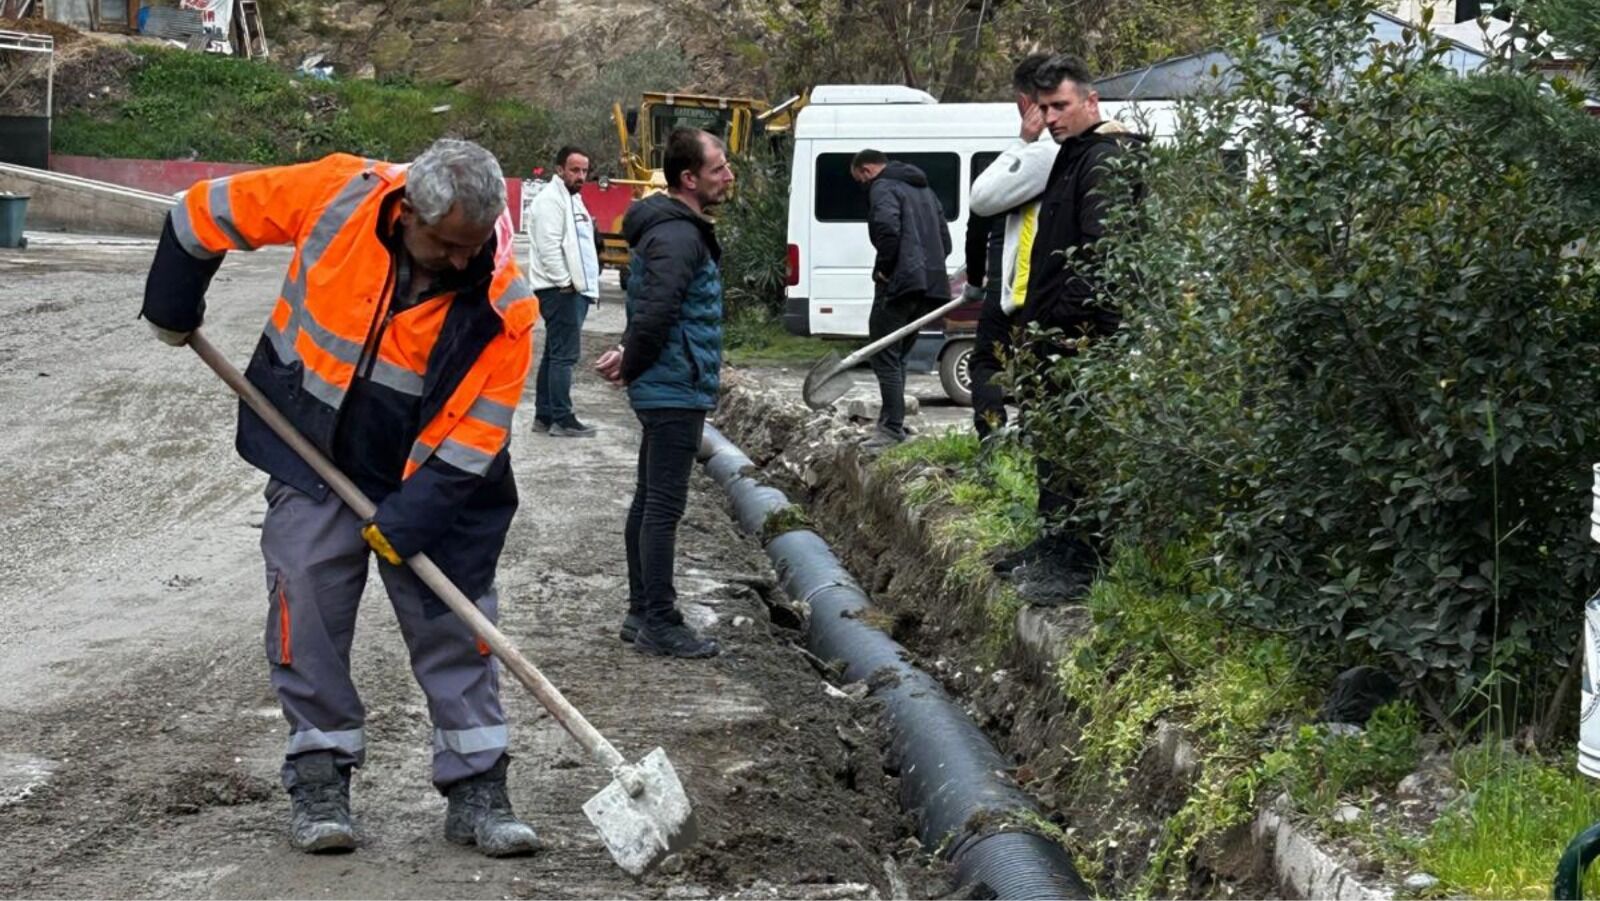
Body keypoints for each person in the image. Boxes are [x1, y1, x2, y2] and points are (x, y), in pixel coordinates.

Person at [140, 139, 542, 857]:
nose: (460, 260)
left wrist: (410, 519)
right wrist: (172, 298)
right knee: (306, 598)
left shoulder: (502, 303)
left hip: (434, 481)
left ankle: (478, 784)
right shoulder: (337, 194)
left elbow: (476, 440)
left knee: (454, 619)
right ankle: (320, 772)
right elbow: (203, 211)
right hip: (313, 448)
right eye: (447, 243)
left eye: (472, 245)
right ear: (406, 213)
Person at [1005, 54, 1148, 605]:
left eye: (1061, 105)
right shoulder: (1073, 155)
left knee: (1080, 450)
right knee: (1055, 446)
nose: (1052, 117)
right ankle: (1055, 543)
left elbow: (1103, 256)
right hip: (1055, 334)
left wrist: (1070, 326)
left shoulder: (1106, 160)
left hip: (1081, 338)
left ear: (1092, 102)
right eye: (1044, 108)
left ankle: (1080, 562)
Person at [594, 127, 733, 659]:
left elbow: (651, 306)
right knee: (663, 506)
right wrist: (635, 359)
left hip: (669, 380)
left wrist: (632, 354)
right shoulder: (678, 236)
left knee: (650, 499)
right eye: (718, 168)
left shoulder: (672, 229)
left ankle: (639, 611)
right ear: (688, 178)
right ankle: (660, 619)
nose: (728, 175)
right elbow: (657, 311)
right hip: (675, 385)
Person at [968, 52, 1057, 443]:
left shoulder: (1044, 151)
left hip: (1022, 286)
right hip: (1043, 284)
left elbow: (982, 199)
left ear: (1025, 103)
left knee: (989, 362)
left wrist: (1022, 139)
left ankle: (995, 441)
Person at [851, 148, 953, 450]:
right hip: (930, 286)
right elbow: (944, 240)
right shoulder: (923, 189)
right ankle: (893, 421)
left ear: (867, 170)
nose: (862, 186)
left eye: (860, 180)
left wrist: (884, 269)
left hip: (900, 283)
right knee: (900, 356)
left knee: (883, 353)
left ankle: (891, 428)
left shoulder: (883, 187)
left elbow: (886, 229)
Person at [527, 145, 599, 437]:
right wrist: (565, 282)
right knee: (564, 357)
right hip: (561, 291)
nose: (581, 176)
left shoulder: (572, 199)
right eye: (574, 170)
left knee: (554, 354)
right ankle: (562, 418)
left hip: (570, 290)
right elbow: (548, 247)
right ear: (560, 169)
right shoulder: (550, 201)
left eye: (584, 171)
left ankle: (544, 416)